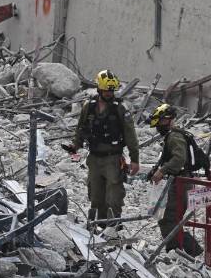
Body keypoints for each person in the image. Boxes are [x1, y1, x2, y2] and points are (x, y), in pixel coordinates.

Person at [70, 70, 140, 223]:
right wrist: (75, 146)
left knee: (114, 195)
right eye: (107, 90)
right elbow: (81, 128)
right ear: (99, 89)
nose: (109, 93)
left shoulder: (120, 109)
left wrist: (135, 159)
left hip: (113, 158)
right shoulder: (89, 106)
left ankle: (113, 225)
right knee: (95, 194)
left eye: (112, 90)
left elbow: (130, 135)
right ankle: (98, 225)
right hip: (94, 158)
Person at [148, 103, 203, 257]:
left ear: (170, 120)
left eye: (163, 121)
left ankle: (181, 252)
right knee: (172, 219)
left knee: (168, 219)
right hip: (181, 181)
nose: (160, 125)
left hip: (181, 183)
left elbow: (179, 158)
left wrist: (162, 171)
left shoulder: (175, 136)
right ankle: (183, 251)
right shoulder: (173, 135)